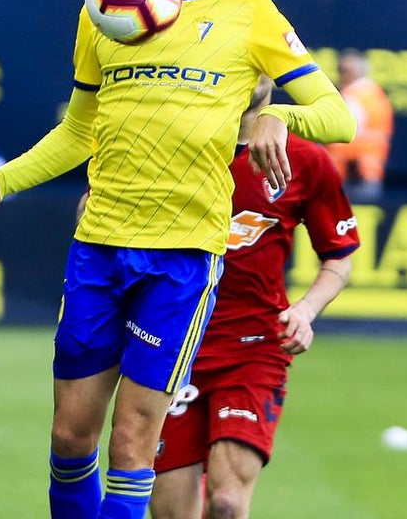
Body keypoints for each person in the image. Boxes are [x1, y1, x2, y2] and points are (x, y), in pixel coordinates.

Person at [0, 0, 356, 519]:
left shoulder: (250, 16)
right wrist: (0, 182)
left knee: (134, 442)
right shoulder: (105, 6)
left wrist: (277, 116)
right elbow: (78, 133)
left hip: (183, 258)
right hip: (99, 245)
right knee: (70, 439)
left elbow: (339, 116)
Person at [145, 74, 359, 519]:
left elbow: (338, 259)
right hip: (172, 346)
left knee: (225, 502)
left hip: (253, 349)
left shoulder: (305, 160)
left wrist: (305, 309)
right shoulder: (174, 146)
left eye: (260, 61)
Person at [326, 49, 394, 202]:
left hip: (350, 172)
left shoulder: (352, 95)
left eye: (344, 70)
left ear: (356, 72)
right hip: (370, 170)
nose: (340, 74)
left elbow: (345, 131)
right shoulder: (377, 94)